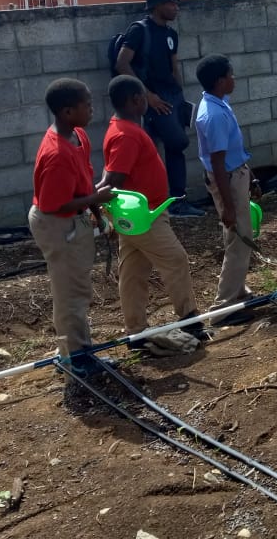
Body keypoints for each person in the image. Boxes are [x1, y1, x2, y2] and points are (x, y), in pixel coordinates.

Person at [100, 75, 206, 356]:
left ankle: (135, 332)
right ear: (137, 99)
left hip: (136, 215)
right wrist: (100, 206)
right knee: (175, 259)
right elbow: (112, 180)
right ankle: (190, 320)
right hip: (144, 216)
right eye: (145, 97)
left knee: (133, 272)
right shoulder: (126, 134)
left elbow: (111, 174)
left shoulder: (121, 128)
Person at [28, 78, 115, 376]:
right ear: (67, 112)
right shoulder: (57, 155)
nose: (92, 109)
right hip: (56, 223)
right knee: (69, 292)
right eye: (86, 105)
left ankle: (78, 349)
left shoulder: (78, 136)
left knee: (77, 286)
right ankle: (75, 357)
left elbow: (84, 181)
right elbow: (53, 205)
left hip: (71, 218)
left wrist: (98, 213)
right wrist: (97, 198)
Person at [114, 0, 203, 218]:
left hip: (172, 97)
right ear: (157, 6)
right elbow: (123, 64)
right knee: (177, 143)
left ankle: (175, 202)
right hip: (151, 99)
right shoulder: (139, 30)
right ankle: (164, 203)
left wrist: (180, 94)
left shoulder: (170, 33)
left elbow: (174, 65)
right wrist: (147, 96)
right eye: (171, 3)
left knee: (171, 148)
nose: (176, 8)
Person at [195, 54, 262, 325]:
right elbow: (219, 164)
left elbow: (235, 152)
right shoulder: (212, 116)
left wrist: (252, 177)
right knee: (239, 238)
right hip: (228, 180)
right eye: (231, 75)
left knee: (237, 237)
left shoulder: (220, 103)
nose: (235, 79)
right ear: (221, 80)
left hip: (236, 174)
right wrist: (229, 206)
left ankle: (238, 289)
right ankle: (223, 307)